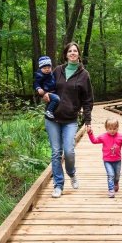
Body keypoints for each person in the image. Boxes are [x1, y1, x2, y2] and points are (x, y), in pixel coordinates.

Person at [44, 42, 94, 198]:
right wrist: (44, 94)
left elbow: (88, 100)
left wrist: (88, 121)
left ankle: (72, 173)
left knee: (69, 151)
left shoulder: (84, 74)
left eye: (75, 51)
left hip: (70, 119)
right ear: (66, 54)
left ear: (79, 54)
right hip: (52, 118)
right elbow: (45, 85)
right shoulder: (57, 70)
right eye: (70, 51)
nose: (73, 53)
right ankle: (58, 185)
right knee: (56, 152)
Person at [86, 118, 122, 198]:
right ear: (106, 128)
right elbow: (94, 141)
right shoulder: (103, 136)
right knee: (111, 175)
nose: (112, 130)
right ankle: (111, 190)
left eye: (114, 128)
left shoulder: (120, 136)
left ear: (117, 128)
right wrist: (90, 133)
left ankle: (116, 183)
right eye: (110, 129)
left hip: (117, 160)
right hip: (107, 160)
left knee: (117, 175)